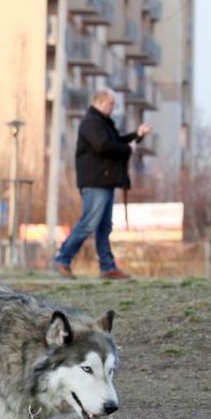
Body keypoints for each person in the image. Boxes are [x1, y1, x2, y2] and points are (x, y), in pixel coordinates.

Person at [52, 87, 151, 280]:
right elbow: (104, 146)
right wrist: (127, 149)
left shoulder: (102, 124)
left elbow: (116, 142)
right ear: (99, 102)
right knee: (88, 223)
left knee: (104, 227)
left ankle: (107, 267)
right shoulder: (92, 123)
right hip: (95, 181)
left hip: (104, 181)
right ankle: (62, 259)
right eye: (111, 103)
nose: (113, 107)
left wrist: (137, 135)